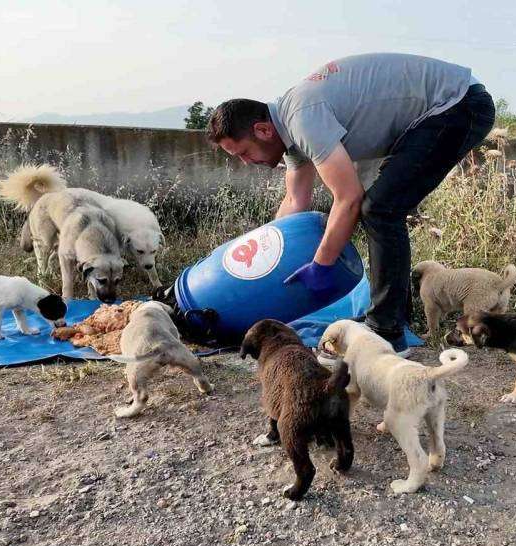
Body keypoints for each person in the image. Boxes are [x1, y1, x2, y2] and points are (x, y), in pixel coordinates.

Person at [206, 53, 495, 358]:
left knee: (380, 208)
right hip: (438, 111)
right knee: (382, 206)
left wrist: (322, 265)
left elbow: (348, 199)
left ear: (262, 130)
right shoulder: (290, 131)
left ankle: (386, 332)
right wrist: (265, 259)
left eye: (243, 153)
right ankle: (394, 321)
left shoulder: (303, 117)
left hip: (457, 104)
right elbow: (294, 203)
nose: (246, 162)